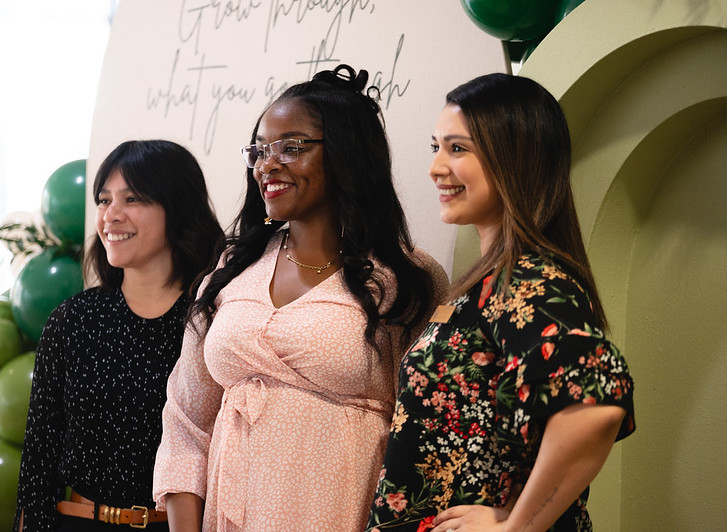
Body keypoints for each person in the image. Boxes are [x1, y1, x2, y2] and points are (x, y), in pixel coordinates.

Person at [152, 64, 450, 531]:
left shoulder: (406, 280)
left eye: (291, 148)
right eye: (260, 150)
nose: (267, 165)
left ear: (347, 155)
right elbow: (187, 425)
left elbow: (428, 433)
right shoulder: (230, 275)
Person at [365, 73, 636, 532]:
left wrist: (517, 527)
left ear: (515, 158)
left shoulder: (529, 278)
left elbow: (594, 405)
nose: (436, 167)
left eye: (458, 148)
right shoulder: (488, 281)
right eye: (436, 147)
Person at [14, 140, 225, 532]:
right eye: (104, 200)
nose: (111, 215)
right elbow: (38, 463)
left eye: (132, 199)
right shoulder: (72, 320)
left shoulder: (213, 322)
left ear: (177, 207)